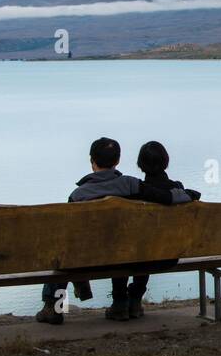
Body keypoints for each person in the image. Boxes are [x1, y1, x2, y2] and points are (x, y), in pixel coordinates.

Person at [36, 137, 141, 326]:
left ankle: (55, 307)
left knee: (62, 255)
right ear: (117, 161)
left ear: (92, 161)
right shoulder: (132, 186)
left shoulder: (79, 196)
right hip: (125, 256)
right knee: (121, 245)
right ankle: (121, 302)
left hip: (87, 261)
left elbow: (68, 237)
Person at [106, 141, 202, 321]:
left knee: (129, 250)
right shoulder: (178, 190)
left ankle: (120, 303)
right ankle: (135, 299)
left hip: (135, 258)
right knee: (151, 246)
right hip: (168, 257)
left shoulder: (133, 193)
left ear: (140, 165)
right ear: (166, 161)